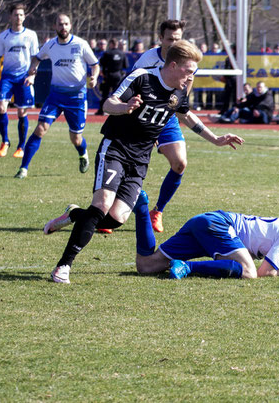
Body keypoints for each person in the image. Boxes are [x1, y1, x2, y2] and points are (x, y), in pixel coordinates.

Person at [43, 40, 244, 284]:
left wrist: (216, 139)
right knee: (102, 203)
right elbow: (108, 104)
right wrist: (125, 106)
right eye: (189, 71)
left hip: (140, 160)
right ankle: (63, 266)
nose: (192, 76)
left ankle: (74, 215)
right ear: (173, 65)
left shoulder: (179, 92)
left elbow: (186, 115)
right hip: (116, 147)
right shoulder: (142, 78)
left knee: (116, 218)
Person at [132, 191, 279, 279]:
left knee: (146, 266)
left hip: (205, 222)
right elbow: (264, 272)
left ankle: (142, 210)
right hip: (220, 226)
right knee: (248, 272)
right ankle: (186, 267)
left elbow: (274, 249)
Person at [15, 13, 99, 178]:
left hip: (77, 97)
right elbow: (36, 59)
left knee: (75, 138)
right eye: (60, 24)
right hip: (56, 95)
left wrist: (94, 77)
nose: (63, 27)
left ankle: (83, 153)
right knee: (40, 129)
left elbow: (95, 64)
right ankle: (23, 169)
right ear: (55, 26)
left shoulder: (81, 44)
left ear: (70, 26)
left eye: (66, 24)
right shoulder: (50, 45)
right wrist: (32, 74)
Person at [131, 19, 195, 233]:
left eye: (178, 39)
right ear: (160, 39)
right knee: (129, 164)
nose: (174, 44)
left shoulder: (188, 61)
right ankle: (114, 211)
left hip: (167, 117)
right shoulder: (146, 59)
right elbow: (131, 88)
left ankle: (157, 211)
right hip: (141, 118)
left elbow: (183, 98)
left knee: (180, 163)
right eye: (170, 39)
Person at [0, 4, 39, 158]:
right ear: (10, 17)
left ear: (24, 17)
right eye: (15, 15)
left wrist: (32, 75)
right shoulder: (4, 36)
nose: (18, 17)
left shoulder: (31, 35)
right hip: (7, 77)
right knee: (1, 107)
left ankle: (21, 146)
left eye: (21, 15)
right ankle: (5, 141)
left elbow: (36, 59)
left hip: (24, 77)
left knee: (21, 111)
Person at [97, 38, 128, 115]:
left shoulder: (107, 53)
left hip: (108, 76)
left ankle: (101, 110)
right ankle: (118, 111)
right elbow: (126, 65)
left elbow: (101, 63)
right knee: (117, 94)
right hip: (118, 76)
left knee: (105, 94)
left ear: (110, 44)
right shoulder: (122, 53)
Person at [218, 44, 238, 119]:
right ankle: (227, 110)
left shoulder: (231, 58)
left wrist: (225, 77)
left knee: (229, 96)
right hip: (232, 79)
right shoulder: (233, 58)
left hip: (231, 79)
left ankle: (227, 111)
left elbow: (228, 69)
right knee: (229, 97)